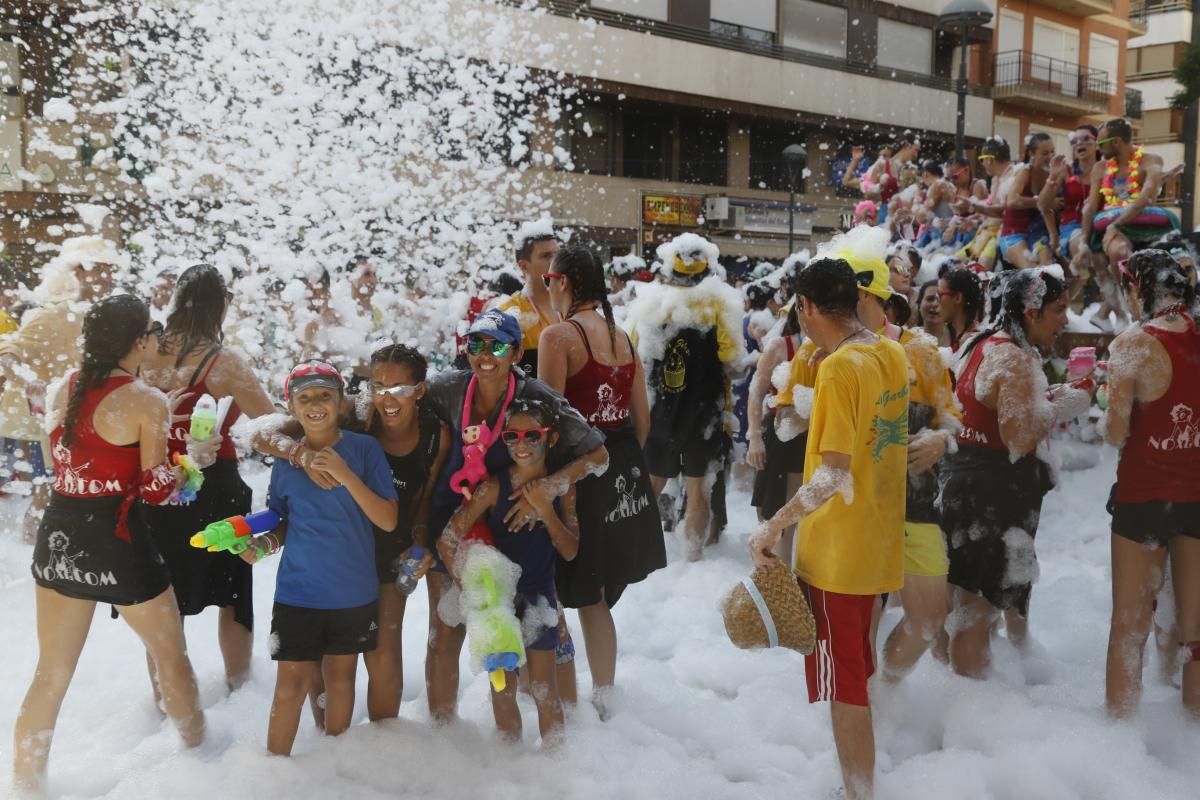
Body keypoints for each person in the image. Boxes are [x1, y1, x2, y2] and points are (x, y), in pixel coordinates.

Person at [13, 295, 205, 787]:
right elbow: (159, 490)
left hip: (59, 536)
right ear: (138, 341)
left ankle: (25, 787)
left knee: (50, 676)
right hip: (118, 540)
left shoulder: (65, 387)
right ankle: (202, 767)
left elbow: (70, 465)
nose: (158, 339)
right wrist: (193, 460)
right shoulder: (147, 400)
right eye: (153, 331)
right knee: (170, 655)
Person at [750, 255, 910, 800]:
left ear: (807, 306)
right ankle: (856, 786)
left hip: (839, 554)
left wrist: (773, 526)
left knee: (845, 687)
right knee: (856, 674)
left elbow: (831, 475)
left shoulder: (840, 365)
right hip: (879, 541)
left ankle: (859, 793)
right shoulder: (888, 350)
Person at [422, 308, 607, 722]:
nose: (485, 354)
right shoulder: (448, 388)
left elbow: (599, 454)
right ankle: (442, 735)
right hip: (458, 523)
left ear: (517, 351)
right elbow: (394, 401)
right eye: (475, 344)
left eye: (497, 345)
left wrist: (549, 488)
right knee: (445, 634)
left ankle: (564, 745)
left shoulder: (537, 398)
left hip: (520, 531)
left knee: (545, 639)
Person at [240, 360, 398, 756]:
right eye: (304, 397)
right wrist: (262, 546)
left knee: (341, 677)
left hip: (352, 590)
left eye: (325, 396)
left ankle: (333, 767)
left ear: (341, 402)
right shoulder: (287, 461)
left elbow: (388, 519)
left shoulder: (363, 450)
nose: (315, 404)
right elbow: (282, 522)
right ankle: (276, 769)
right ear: (291, 406)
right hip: (298, 592)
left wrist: (346, 474)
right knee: (290, 684)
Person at [938, 269, 1089, 678]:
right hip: (989, 496)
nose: (1065, 320)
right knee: (975, 614)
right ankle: (969, 718)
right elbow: (1020, 436)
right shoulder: (1013, 358)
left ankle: (948, 706)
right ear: (1031, 310)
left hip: (960, 482)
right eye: (1058, 309)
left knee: (954, 608)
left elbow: (997, 409)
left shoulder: (980, 342)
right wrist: (1067, 403)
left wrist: (1049, 397)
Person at [537, 246, 665, 708]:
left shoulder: (559, 336)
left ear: (564, 282)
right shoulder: (622, 337)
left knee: (567, 586)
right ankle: (604, 697)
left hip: (581, 470)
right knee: (598, 593)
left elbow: (546, 420)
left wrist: (552, 487)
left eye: (550, 279)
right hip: (624, 466)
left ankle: (560, 697)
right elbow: (642, 418)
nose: (547, 288)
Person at [140, 265, 276, 694]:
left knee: (164, 601)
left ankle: (168, 701)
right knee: (233, 595)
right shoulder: (221, 361)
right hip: (212, 490)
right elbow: (269, 422)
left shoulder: (142, 351)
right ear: (222, 305)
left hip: (158, 489)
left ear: (176, 300)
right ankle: (239, 689)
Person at [847, 252, 961, 683]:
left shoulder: (920, 350)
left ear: (866, 295)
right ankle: (865, 709)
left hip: (915, 501)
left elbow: (952, 418)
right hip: (856, 504)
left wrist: (939, 439)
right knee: (860, 626)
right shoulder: (826, 350)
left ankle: (887, 690)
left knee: (930, 620)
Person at [438, 399, 580, 744]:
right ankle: (510, 767)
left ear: (552, 438)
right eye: (511, 436)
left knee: (546, 689)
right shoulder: (494, 488)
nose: (521, 444)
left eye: (533, 435)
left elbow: (570, 549)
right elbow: (446, 541)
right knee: (502, 689)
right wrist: (475, 592)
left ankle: (554, 769)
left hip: (539, 597)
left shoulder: (562, 487)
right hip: (498, 603)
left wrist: (545, 508)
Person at [1100, 249, 1200, 718]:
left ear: (1137, 289)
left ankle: (1121, 739)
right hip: (1197, 497)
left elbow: (1116, 432)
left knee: (1130, 627)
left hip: (1143, 496)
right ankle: (1191, 733)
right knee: (1195, 632)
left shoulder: (1132, 344)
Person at [626, 233, 746, 561]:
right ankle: (692, 561)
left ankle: (634, 549)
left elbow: (634, 357)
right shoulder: (721, 303)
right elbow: (733, 360)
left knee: (650, 486)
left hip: (660, 412)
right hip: (704, 413)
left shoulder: (650, 303)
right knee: (698, 492)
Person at [0, 236, 118, 543]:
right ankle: (33, 568)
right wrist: (29, 383)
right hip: (59, 429)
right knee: (45, 497)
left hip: (105, 427)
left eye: (110, 268)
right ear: (78, 272)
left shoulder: (119, 314)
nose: (107, 276)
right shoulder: (54, 315)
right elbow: (8, 354)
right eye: (99, 268)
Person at [358, 344, 448, 720]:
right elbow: (273, 431)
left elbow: (425, 499)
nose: (387, 397)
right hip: (348, 547)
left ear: (420, 390)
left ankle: (383, 743)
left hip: (393, 548)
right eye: (378, 386)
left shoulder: (435, 436)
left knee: (383, 649)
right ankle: (331, 749)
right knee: (332, 656)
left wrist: (420, 542)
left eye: (399, 388)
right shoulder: (358, 419)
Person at [1082, 118, 1181, 318]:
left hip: (1142, 222)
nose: (1098, 148)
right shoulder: (1100, 169)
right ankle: (1130, 306)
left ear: (1116, 142)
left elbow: (1146, 196)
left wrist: (1116, 223)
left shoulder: (1151, 160)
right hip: (1112, 225)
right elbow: (1091, 207)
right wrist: (1085, 242)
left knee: (1175, 255)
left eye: (1101, 143)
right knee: (1118, 252)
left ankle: (1155, 304)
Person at [1039, 125, 1102, 301]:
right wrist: (1052, 177)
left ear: (1097, 143)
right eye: (1075, 141)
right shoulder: (1066, 171)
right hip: (1072, 228)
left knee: (1090, 269)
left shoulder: (1106, 169)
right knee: (1088, 256)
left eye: (1085, 139)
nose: (1079, 144)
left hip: (1099, 225)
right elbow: (1043, 204)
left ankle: (1064, 308)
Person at [491, 222, 561, 376]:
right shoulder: (508, 314)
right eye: (546, 256)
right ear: (523, 266)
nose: (556, 262)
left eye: (558, 254)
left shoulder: (571, 306)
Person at [1000, 133, 1055, 269]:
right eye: (1045, 153)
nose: (1050, 157)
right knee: (1030, 268)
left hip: (1037, 233)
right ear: (1032, 154)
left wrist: (1054, 236)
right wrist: (1041, 202)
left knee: (1048, 270)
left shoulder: (1052, 174)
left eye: (1052, 151)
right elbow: (1012, 201)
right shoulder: (1025, 172)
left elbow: (1049, 208)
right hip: (1014, 233)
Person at [963, 136, 1016, 270]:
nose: (982, 163)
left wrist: (973, 206)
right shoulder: (996, 180)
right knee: (961, 258)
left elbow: (1002, 211)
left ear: (989, 159)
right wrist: (972, 218)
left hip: (1002, 237)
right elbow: (990, 205)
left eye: (982, 159)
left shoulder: (1014, 176)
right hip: (985, 235)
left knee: (981, 266)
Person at [937, 264, 985, 353]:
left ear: (957, 298)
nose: (936, 303)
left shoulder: (969, 342)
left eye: (939, 295)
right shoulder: (965, 338)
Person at [913, 280, 946, 345]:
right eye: (930, 299)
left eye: (940, 299)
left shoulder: (959, 340)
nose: (935, 304)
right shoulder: (909, 338)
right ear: (920, 304)